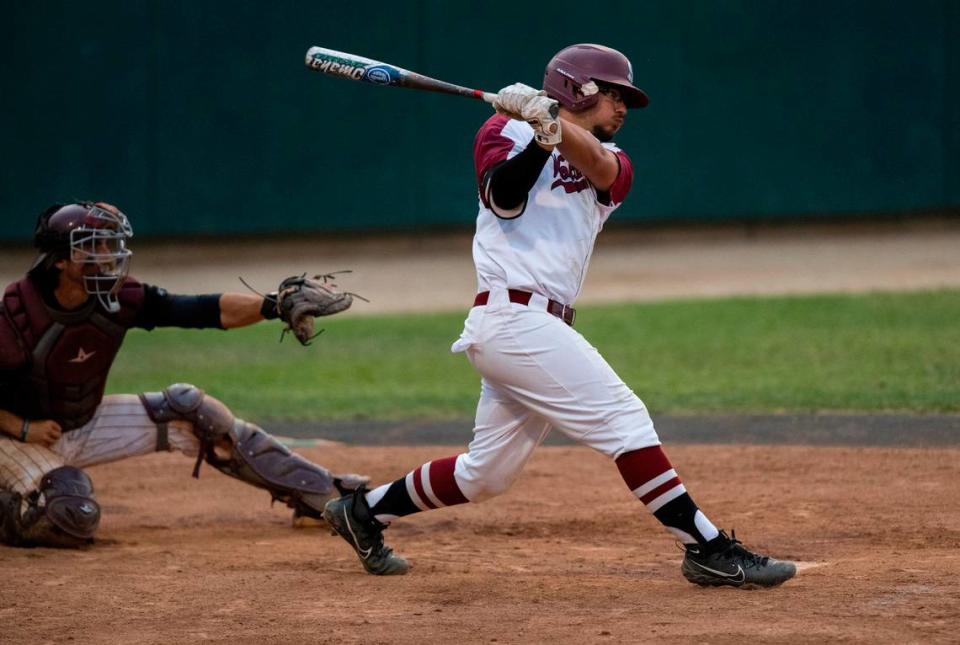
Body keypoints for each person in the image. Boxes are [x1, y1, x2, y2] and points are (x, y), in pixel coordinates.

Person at [323, 44, 797, 588]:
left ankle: (362, 513)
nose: (623, 109)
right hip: (512, 320)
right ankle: (706, 548)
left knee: (486, 475)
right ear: (581, 88)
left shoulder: (613, 161)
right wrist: (534, 133)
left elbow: (598, 166)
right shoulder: (502, 131)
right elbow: (503, 198)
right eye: (615, 95)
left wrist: (550, 125)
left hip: (538, 328)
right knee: (625, 420)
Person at [0, 201, 364, 548]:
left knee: (190, 409)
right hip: (13, 440)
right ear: (61, 261)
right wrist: (21, 427)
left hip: (78, 424)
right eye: (92, 246)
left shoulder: (117, 298)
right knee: (69, 514)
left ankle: (318, 494)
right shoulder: (20, 314)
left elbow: (198, 310)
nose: (107, 254)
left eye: (108, 243)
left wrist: (274, 304)